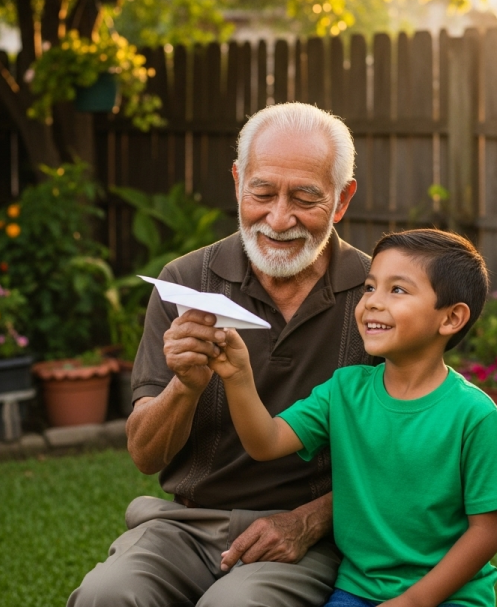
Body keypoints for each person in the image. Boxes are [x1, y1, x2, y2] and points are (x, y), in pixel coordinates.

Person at [68, 102, 375, 607]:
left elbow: (405, 457)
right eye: (262, 192)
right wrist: (184, 386)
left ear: (342, 200)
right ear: (237, 182)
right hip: (186, 524)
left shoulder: (375, 296)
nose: (279, 218)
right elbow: (147, 455)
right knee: (108, 594)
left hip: (309, 533)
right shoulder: (185, 280)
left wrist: (308, 521)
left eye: (305, 197)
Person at [208, 229, 497, 607]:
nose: (372, 302)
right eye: (370, 287)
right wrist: (238, 376)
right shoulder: (345, 390)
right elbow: (266, 442)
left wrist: (413, 602)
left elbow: (486, 533)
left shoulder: (475, 414)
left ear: (451, 318)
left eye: (398, 290)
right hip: (359, 589)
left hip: (451, 596)